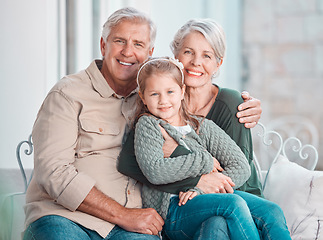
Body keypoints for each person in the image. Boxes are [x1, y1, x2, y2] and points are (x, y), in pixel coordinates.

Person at [23, 7, 262, 240]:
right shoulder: (68, 94)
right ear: (103, 45)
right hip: (66, 217)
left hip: (135, 226)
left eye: (138, 44)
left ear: (150, 52)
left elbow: (198, 115)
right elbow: (54, 173)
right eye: (119, 41)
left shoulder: (156, 97)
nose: (128, 52)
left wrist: (245, 105)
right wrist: (124, 215)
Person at [118, 19, 291, 239]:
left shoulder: (216, 114)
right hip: (181, 204)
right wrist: (203, 166)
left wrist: (199, 183)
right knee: (222, 215)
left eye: (207, 55)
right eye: (188, 52)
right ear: (176, 56)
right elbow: (136, 164)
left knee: (268, 211)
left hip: (234, 193)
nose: (196, 62)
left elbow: (240, 169)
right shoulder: (154, 112)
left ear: (218, 63)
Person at [133, 56, 263, 239]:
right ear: (143, 97)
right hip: (173, 207)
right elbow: (155, 171)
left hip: (203, 199)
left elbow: (241, 166)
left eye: (170, 91)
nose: (163, 100)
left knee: (270, 211)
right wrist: (205, 160)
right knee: (233, 204)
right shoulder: (149, 125)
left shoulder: (201, 126)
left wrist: (202, 188)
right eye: (154, 94)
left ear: (181, 91)